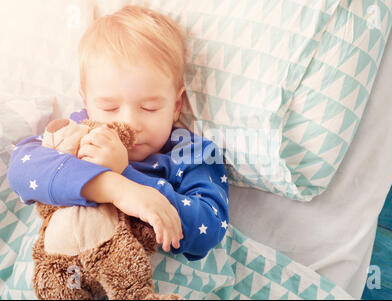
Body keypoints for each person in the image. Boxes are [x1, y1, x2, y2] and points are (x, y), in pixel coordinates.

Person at [7, 5, 229, 261]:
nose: (130, 122)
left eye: (149, 107)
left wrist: (129, 174)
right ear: (88, 104)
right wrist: (119, 188)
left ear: (176, 106)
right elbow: (22, 167)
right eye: (109, 107)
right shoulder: (78, 132)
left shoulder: (190, 153)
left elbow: (211, 226)